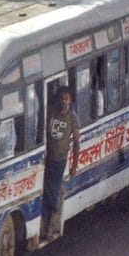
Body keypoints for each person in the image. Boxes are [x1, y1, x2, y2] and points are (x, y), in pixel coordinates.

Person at [41, 86, 80, 241]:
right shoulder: (50, 113)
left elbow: (76, 143)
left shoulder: (73, 119)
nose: (64, 102)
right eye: (62, 98)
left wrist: (74, 165)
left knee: (53, 193)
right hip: (46, 159)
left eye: (67, 99)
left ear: (70, 101)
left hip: (59, 161)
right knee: (45, 192)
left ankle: (49, 228)